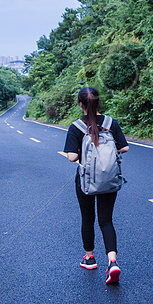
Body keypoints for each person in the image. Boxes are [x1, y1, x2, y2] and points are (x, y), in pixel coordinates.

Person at [64, 87, 130, 284]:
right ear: (99, 102)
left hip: (85, 181)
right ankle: (112, 262)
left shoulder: (76, 127)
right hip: (109, 179)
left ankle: (90, 258)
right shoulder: (111, 123)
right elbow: (124, 147)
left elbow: (72, 157)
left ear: (80, 104)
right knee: (106, 219)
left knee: (88, 218)